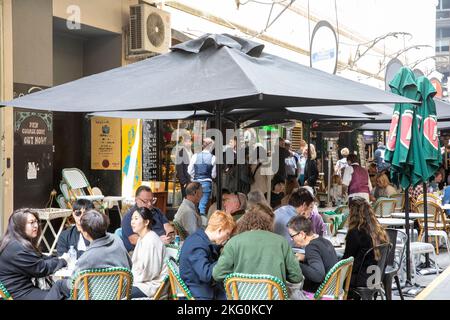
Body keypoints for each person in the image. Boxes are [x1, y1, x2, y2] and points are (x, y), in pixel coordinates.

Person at [47, 210, 131, 300]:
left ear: (85, 233)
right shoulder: (117, 239)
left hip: (94, 295)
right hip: (118, 293)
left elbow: (73, 283)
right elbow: (129, 265)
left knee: (59, 284)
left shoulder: (87, 257)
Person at [213, 204, 303, 286]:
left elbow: (218, 274)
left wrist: (238, 278)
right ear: (270, 222)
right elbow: (296, 277)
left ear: (246, 221)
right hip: (274, 296)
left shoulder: (233, 242)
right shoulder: (282, 242)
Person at [0, 209, 68, 300]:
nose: (36, 225)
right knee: (61, 289)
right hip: (20, 294)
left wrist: (56, 258)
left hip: (21, 290)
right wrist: (63, 260)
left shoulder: (14, 242)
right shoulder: (16, 247)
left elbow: (38, 257)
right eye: (31, 222)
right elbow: (41, 268)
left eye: (36, 222)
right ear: (19, 226)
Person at [179, 211, 236, 300]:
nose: (228, 238)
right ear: (219, 230)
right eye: (227, 234)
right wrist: (225, 260)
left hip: (201, 289)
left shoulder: (198, 238)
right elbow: (206, 274)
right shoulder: (196, 245)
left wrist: (218, 248)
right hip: (199, 293)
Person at [342, 198, 389, 294]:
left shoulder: (355, 233)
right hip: (375, 277)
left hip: (359, 279)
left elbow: (347, 261)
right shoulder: (379, 231)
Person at [287, 215, 338, 292]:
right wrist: (305, 258)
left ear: (302, 234)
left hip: (322, 291)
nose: (292, 239)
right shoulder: (324, 241)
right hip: (334, 287)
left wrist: (296, 263)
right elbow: (323, 260)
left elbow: (318, 276)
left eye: (292, 236)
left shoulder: (311, 247)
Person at [121, 185, 175, 252]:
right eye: (145, 201)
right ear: (136, 200)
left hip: (162, 247)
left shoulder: (157, 211)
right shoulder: (130, 217)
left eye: (152, 200)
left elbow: (168, 227)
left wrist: (169, 235)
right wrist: (157, 241)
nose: (149, 204)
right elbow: (134, 240)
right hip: (140, 251)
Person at [130, 207, 168, 299]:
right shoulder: (141, 238)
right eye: (132, 219)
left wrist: (132, 280)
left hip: (151, 285)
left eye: (136, 219)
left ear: (146, 222)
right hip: (142, 281)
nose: (132, 222)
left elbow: (151, 272)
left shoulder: (151, 240)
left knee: (118, 292)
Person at [188, 137, 216, 217]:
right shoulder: (213, 158)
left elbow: (190, 171)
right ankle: (201, 224)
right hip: (207, 184)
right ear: (210, 146)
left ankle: (194, 222)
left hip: (196, 183)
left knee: (194, 205)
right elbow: (214, 174)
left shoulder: (195, 156)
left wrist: (195, 177)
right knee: (202, 206)